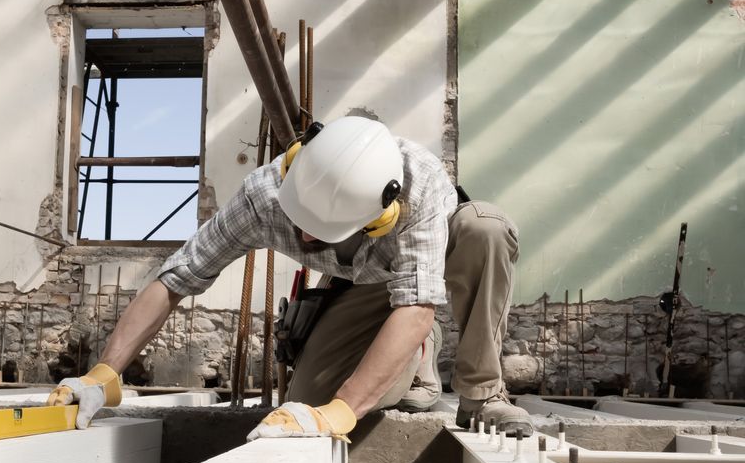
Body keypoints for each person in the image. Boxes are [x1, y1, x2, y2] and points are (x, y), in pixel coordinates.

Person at [46, 116, 533, 439]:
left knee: (484, 229)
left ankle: (481, 393)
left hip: (420, 280)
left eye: (321, 230)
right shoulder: (265, 194)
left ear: (379, 215)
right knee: (309, 404)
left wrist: (342, 413)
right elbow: (178, 275)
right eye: (300, 217)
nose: (302, 233)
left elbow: (416, 304)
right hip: (365, 290)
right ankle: (412, 358)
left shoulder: (419, 187)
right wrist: (104, 373)